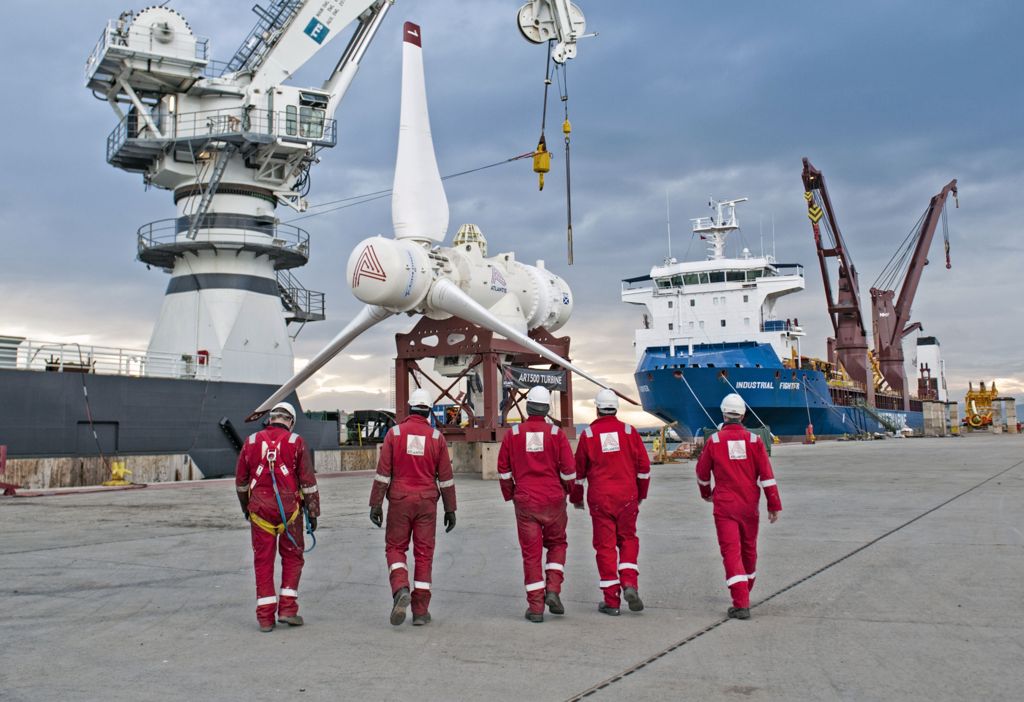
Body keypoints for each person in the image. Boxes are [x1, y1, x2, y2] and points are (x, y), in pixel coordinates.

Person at [369, 388, 457, 626]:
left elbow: (383, 474)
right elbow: (446, 478)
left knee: (396, 548)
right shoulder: (437, 438)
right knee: (424, 554)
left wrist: (375, 504)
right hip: (427, 502)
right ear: (428, 411)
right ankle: (420, 611)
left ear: (409, 408)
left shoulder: (394, 434)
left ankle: (400, 589)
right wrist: (451, 508)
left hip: (399, 501)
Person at [695, 393, 782, 620]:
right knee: (748, 548)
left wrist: (706, 494)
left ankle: (741, 602)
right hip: (749, 505)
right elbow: (767, 476)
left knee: (731, 552)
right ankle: (746, 589)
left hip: (724, 506)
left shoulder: (713, 441)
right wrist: (773, 504)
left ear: (724, 414)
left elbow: (702, 474)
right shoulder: (755, 442)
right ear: (743, 415)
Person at [235, 401, 319, 632]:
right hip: (290, 511)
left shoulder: (251, 442)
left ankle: (265, 618)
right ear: (290, 421)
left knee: (263, 561)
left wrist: (246, 508)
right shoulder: (296, 442)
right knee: (292, 557)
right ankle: (288, 609)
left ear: (271, 419)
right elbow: (308, 482)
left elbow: (241, 482)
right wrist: (313, 513)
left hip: (260, 511)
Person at [496, 385, 576, 623]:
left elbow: (503, 470)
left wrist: (511, 494)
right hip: (553, 499)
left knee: (531, 555)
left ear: (527, 405)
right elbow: (569, 471)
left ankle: (536, 608)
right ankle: (553, 589)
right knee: (558, 544)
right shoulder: (556, 434)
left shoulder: (514, 434)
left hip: (526, 501)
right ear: (547, 408)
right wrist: (567, 492)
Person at [571, 388, 651, 615]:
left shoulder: (588, 435)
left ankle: (611, 602)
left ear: (597, 409)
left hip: (600, 499)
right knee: (628, 539)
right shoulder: (630, 432)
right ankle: (629, 583)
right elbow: (644, 469)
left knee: (604, 547)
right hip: (627, 497)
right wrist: (641, 494)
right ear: (616, 407)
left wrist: (576, 499)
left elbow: (578, 474)